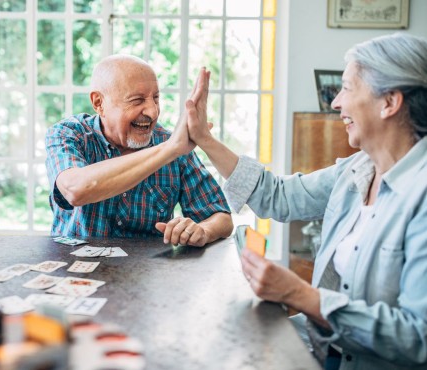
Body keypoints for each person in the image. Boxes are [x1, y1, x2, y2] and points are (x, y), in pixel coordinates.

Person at [184, 33, 427, 369]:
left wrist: (299, 294)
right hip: (323, 350)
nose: (336, 102)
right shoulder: (355, 171)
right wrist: (205, 140)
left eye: (348, 87)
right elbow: (278, 196)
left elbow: (419, 338)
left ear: (390, 102)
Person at [45, 55, 232, 246]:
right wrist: (168, 149)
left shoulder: (173, 144)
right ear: (99, 103)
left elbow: (221, 217)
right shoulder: (68, 134)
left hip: (147, 272)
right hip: (74, 269)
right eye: (137, 100)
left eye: (156, 98)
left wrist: (203, 230)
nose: (152, 112)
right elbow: (76, 190)